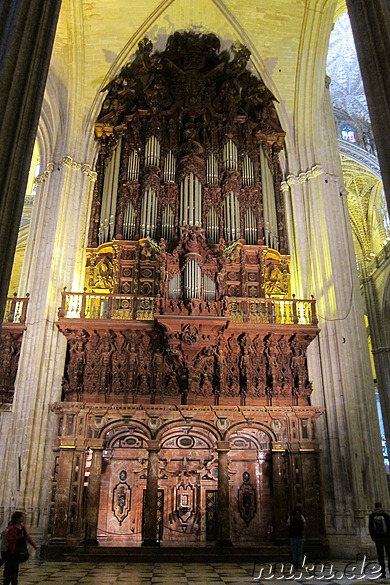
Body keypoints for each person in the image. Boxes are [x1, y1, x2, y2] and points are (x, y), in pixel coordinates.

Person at [3, 511, 37, 585]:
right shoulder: (12, 528)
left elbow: (27, 537)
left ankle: (12, 582)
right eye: (22, 516)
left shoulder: (23, 527)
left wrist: (33, 545)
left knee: (14, 571)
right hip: (12, 551)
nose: (23, 518)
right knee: (11, 571)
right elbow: (9, 539)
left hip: (20, 550)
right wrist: (17, 538)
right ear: (17, 518)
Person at [368, 502, 390, 578]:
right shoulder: (385, 515)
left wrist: (374, 538)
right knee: (389, 555)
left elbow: (370, 528)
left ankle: (382, 572)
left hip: (378, 539)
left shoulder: (372, 516)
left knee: (380, 556)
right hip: (387, 538)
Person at [287, 504, 306, 572]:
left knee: (294, 552)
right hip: (299, 536)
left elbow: (288, 525)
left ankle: (294, 566)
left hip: (293, 536)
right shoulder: (301, 516)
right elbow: (304, 525)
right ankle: (299, 566)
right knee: (299, 552)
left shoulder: (290, 517)